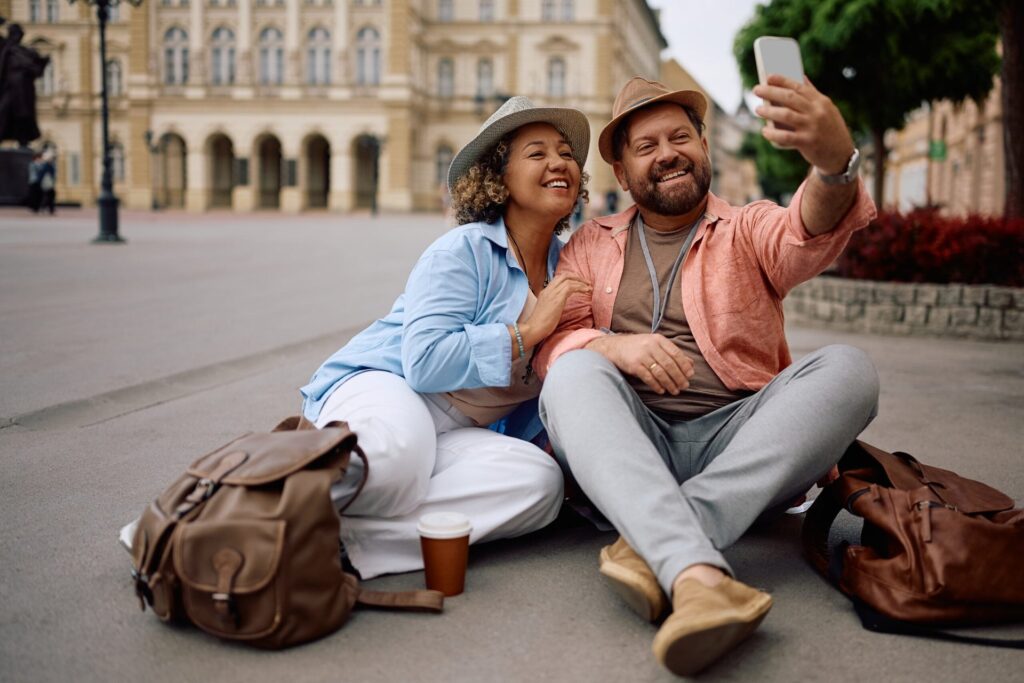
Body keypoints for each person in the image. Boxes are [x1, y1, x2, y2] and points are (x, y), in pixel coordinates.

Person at [535, 76, 879, 676]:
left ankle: (656, 541)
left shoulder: (747, 227)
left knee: (850, 370)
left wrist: (832, 164)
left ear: (704, 147)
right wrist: (615, 348)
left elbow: (807, 230)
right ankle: (697, 576)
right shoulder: (590, 243)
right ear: (622, 174)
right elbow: (551, 346)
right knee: (571, 374)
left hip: (741, 444)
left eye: (680, 137)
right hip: (635, 443)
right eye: (646, 146)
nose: (667, 153)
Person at [297, 97, 592, 579]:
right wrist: (527, 332)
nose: (559, 163)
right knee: (395, 462)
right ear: (498, 178)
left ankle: (344, 543)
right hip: (390, 385)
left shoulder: (574, 267)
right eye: (537, 154)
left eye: (565, 153)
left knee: (538, 484)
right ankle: (248, 498)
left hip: (464, 430)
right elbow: (425, 362)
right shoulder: (464, 250)